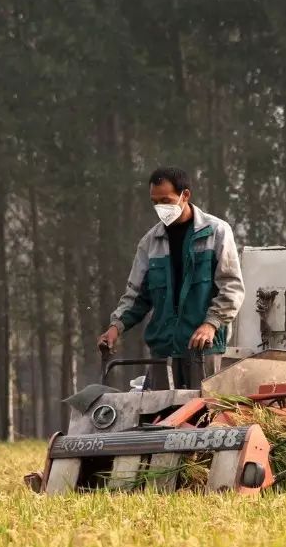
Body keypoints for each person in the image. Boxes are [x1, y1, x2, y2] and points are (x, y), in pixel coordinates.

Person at [98, 167, 244, 390]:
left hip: (204, 350)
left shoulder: (216, 232)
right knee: (160, 419)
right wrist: (115, 327)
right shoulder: (150, 242)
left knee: (205, 417)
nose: (160, 208)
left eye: (166, 200)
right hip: (163, 352)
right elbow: (137, 296)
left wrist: (211, 324)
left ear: (185, 195)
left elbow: (231, 288)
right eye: (155, 202)